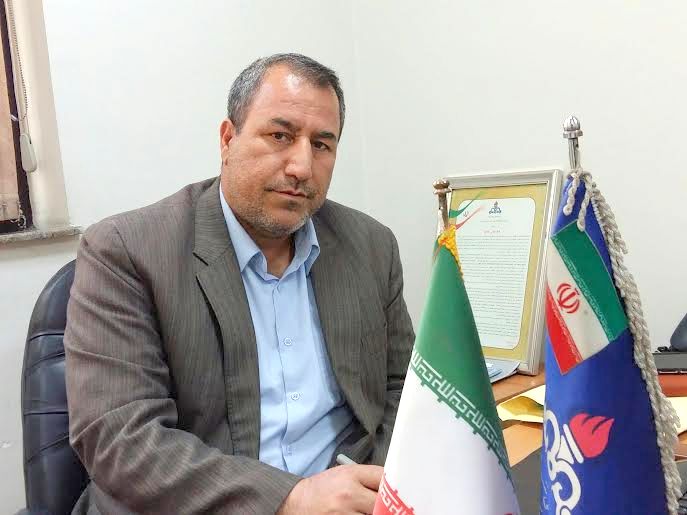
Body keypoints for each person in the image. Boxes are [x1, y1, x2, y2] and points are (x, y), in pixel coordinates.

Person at [65, 53, 414, 515]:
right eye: (280, 136)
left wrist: (377, 484)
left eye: (321, 145)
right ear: (228, 139)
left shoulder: (371, 246)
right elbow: (121, 439)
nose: (302, 167)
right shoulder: (126, 251)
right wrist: (289, 499)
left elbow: (404, 389)